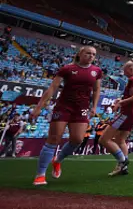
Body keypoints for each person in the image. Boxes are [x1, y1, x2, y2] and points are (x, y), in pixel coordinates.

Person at [31, 46, 102, 185]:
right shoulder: (67, 69)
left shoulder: (96, 71)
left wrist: (94, 107)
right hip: (63, 107)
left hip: (81, 108)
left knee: (77, 140)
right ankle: (40, 174)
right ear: (80, 53)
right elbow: (53, 87)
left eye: (93, 54)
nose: (91, 56)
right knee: (53, 139)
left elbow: (97, 89)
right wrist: (39, 106)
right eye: (88, 53)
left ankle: (57, 160)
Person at [99, 59, 133, 177]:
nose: (123, 73)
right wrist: (121, 100)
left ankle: (122, 161)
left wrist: (121, 103)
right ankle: (122, 168)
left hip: (127, 113)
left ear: (131, 69)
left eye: (124, 70)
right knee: (120, 140)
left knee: (104, 139)